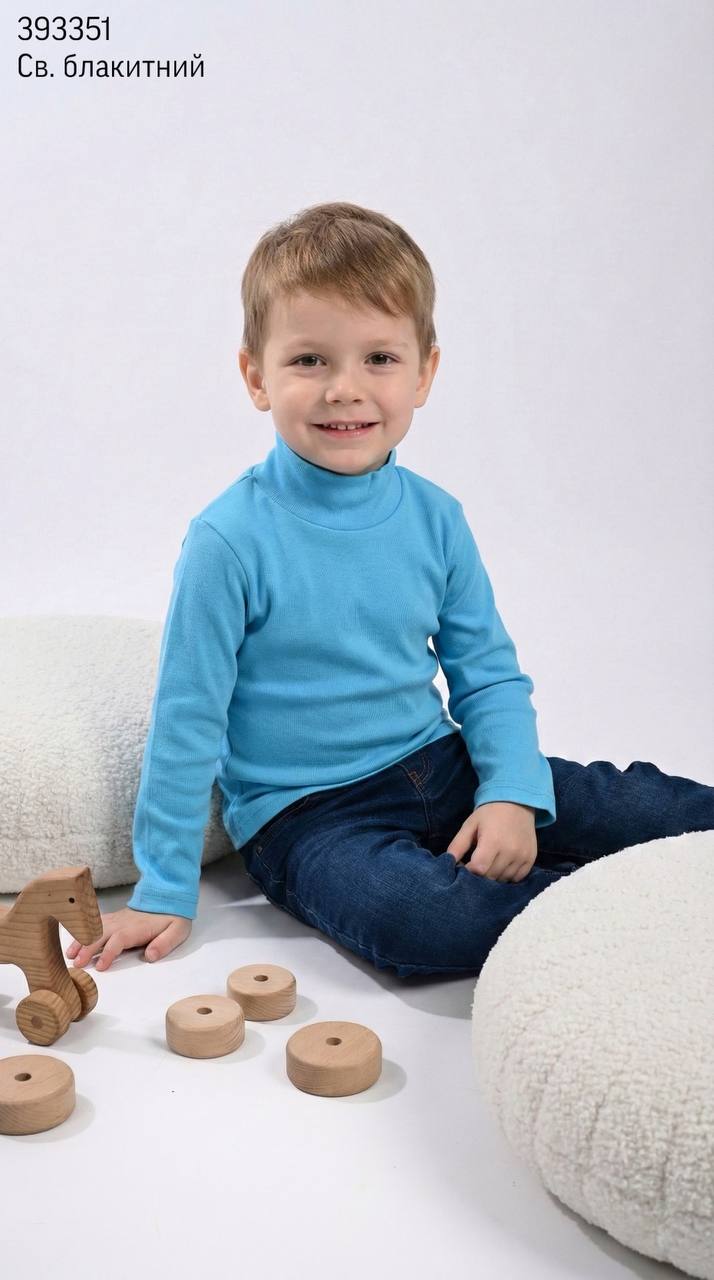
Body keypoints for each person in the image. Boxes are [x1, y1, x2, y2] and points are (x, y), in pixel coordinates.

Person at [67, 201, 714, 978]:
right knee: (421, 919)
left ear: (424, 373)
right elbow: (187, 719)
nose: (345, 389)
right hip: (309, 817)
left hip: (442, 762)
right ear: (256, 377)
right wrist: (164, 888)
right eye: (310, 361)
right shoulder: (228, 541)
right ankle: (621, 913)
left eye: (378, 358)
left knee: (642, 806)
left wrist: (509, 794)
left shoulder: (436, 518)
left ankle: (606, 873)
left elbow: (488, 676)